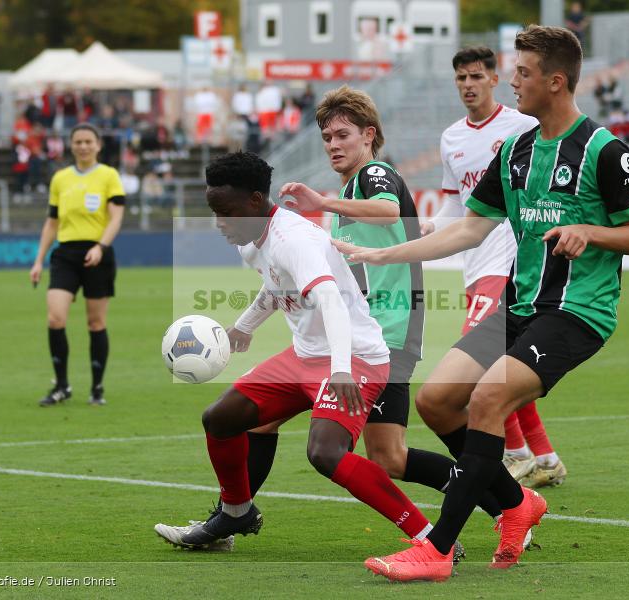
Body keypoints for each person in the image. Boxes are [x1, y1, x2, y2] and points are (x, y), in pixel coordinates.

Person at [340, 24, 629, 582]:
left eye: (523, 73)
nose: (511, 81)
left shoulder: (605, 151)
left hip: (577, 312)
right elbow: (469, 230)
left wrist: (592, 231)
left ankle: (437, 549)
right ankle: (517, 503)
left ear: (556, 82)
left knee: (487, 401)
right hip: (521, 303)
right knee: (437, 402)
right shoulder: (515, 151)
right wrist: (385, 256)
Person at [153, 151, 434, 549]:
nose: (219, 224)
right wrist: (244, 327)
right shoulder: (251, 239)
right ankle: (235, 514)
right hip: (304, 357)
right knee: (220, 418)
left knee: (325, 453)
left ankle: (429, 537)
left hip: (355, 357)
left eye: (226, 212)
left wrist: (340, 371)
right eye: (214, 212)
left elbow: (332, 301)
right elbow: (276, 285)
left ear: (254, 201)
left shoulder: (293, 239)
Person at [425, 46, 565, 488]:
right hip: (475, 263)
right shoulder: (451, 138)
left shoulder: (524, 125)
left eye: (476, 77)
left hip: (511, 261)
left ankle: (515, 456)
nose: (468, 85)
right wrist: (429, 227)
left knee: (485, 367)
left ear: (493, 78)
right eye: (461, 79)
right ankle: (545, 458)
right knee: (506, 364)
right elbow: (457, 204)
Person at [29, 124, 126, 407]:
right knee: (55, 318)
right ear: (71, 146)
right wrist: (38, 260)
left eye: (88, 141)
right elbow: (52, 223)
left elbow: (116, 218)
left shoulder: (109, 175)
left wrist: (101, 247)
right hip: (66, 255)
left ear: (98, 145)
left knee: (95, 323)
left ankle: (97, 388)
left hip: (98, 253)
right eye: (78, 142)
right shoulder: (60, 178)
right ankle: (61, 386)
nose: (83, 146)